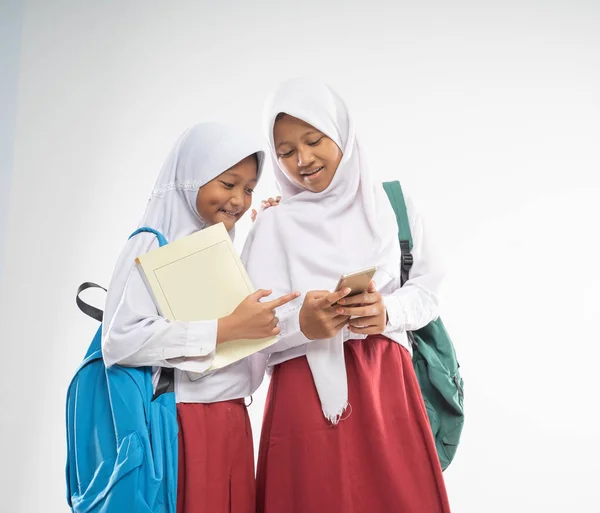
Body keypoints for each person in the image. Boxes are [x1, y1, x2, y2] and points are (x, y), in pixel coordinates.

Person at [242, 79, 451, 513]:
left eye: (314, 140)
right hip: (304, 400)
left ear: (341, 132)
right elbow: (247, 334)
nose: (303, 160)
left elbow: (429, 290)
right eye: (285, 152)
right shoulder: (272, 225)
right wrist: (300, 325)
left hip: (387, 389)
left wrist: (386, 311)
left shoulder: (392, 205)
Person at [101, 122, 299, 513]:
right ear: (190, 178)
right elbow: (120, 339)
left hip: (230, 420)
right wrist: (224, 330)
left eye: (248, 189)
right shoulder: (151, 241)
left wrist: (269, 230)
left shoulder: (216, 244)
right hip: (183, 424)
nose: (239, 200)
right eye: (228, 184)